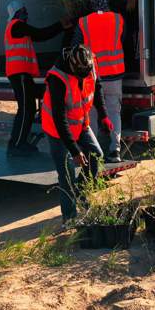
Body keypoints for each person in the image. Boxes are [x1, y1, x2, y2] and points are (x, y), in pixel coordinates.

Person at [42, 45, 112, 224]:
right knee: (66, 175)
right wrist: (74, 150)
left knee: (97, 154)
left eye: (86, 72)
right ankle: (70, 219)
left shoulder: (89, 63)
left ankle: (80, 192)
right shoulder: (58, 78)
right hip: (57, 130)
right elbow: (59, 118)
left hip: (80, 123)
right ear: (72, 66)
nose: (84, 75)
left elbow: (97, 87)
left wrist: (103, 115)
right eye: (80, 73)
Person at [3, 0, 67, 155]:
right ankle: (17, 145)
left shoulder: (17, 28)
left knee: (28, 108)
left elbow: (39, 36)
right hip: (20, 74)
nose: (27, 13)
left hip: (22, 74)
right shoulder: (17, 25)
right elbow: (41, 34)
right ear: (17, 12)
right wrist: (60, 25)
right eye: (24, 10)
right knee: (26, 109)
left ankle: (19, 142)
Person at [72, 0, 125, 163]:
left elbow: (75, 48)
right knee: (114, 112)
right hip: (115, 75)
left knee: (92, 113)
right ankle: (115, 151)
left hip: (93, 77)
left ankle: (93, 152)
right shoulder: (118, 19)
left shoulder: (83, 22)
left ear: (92, 0)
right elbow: (123, 39)